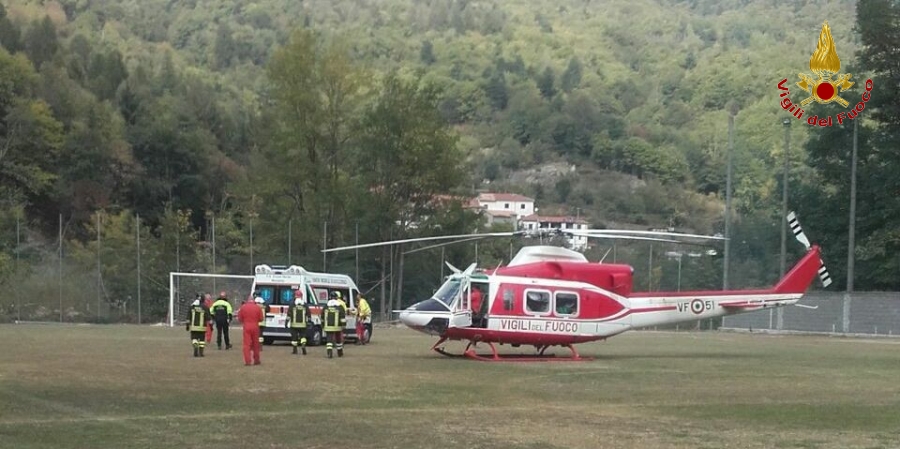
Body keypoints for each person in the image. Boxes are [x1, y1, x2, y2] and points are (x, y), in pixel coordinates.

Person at [237, 296, 264, 365]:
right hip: (255, 326)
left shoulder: (243, 307)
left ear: (247, 300)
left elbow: (240, 319)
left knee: (247, 344)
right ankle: (256, 360)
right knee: (256, 344)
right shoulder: (258, 307)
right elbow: (261, 318)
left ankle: (248, 361)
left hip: (246, 326)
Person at [285, 289, 309, 355]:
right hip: (303, 325)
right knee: (303, 337)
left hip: (294, 325)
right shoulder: (305, 304)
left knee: (294, 338)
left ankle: (295, 350)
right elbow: (308, 314)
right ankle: (303, 346)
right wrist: (308, 322)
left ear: (295, 296)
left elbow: (289, 315)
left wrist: (286, 322)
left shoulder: (292, 304)